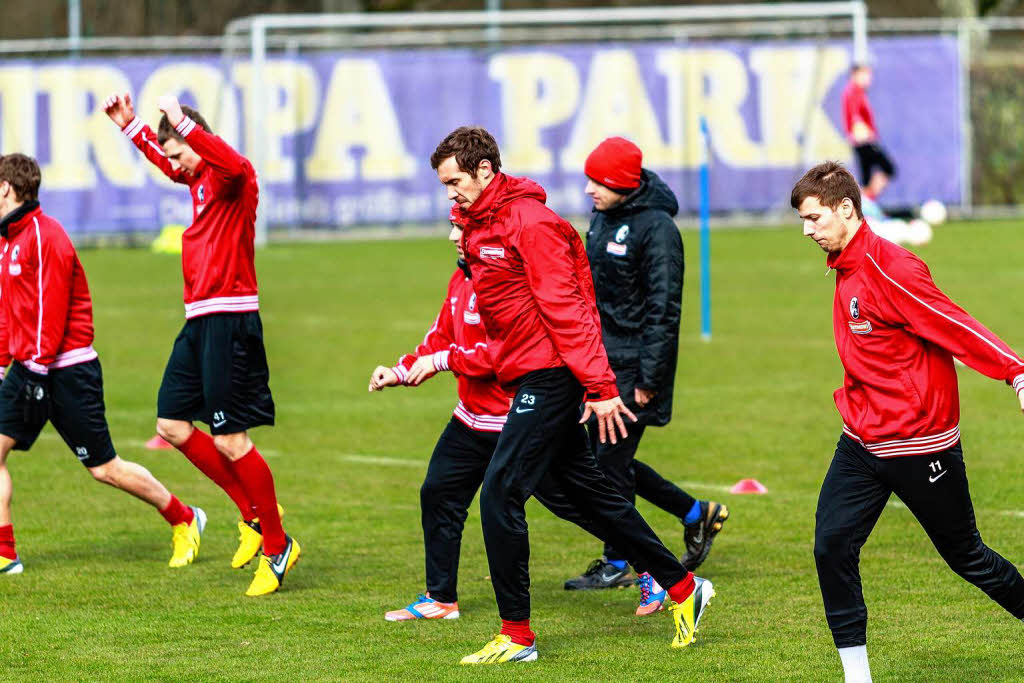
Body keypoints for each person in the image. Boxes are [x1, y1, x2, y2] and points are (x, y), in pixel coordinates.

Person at [431, 126, 716, 664]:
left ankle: (517, 636)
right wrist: (464, 232)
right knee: (587, 496)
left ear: (485, 172)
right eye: (444, 185)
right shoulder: (479, 222)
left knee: (499, 493)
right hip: (527, 374)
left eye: (455, 182)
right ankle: (683, 586)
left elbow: (571, 307)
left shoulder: (531, 223)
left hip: (552, 376)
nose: (450, 193)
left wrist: (600, 386)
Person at [791, 161, 1024, 683]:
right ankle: (857, 676)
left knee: (970, 558)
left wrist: (1016, 372)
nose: (807, 230)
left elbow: (952, 322)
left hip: (921, 445)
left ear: (846, 210)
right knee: (831, 545)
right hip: (861, 440)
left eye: (813, 218)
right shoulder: (845, 265)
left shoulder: (890, 267)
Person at [370, 204, 617, 621]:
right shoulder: (459, 279)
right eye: (452, 227)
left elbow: (499, 354)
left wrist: (444, 361)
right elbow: (441, 337)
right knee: (439, 492)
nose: (452, 237)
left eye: (459, 228)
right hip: (471, 417)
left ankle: (649, 569)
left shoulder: (502, 281)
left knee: (575, 504)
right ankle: (440, 598)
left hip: (520, 417)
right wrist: (401, 370)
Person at [102, 93, 299, 596]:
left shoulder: (232, 179)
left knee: (232, 439)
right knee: (171, 423)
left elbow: (230, 160)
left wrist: (184, 122)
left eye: (179, 153)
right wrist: (131, 128)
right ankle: (252, 515)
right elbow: (169, 158)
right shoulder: (196, 179)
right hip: (199, 320)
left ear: (196, 141)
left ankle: (278, 546)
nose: (174, 166)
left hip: (230, 320)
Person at [0, 153, 204, 574]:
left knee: (105, 469)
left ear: (7, 189)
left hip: (67, 370)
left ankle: (184, 517)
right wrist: (5, 364)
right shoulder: (9, 241)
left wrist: (33, 369)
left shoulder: (43, 234)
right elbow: (10, 313)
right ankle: (5, 554)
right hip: (31, 367)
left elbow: (49, 313)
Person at [564, 136, 729, 603]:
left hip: (633, 370)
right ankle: (694, 513)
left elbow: (664, 309)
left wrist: (647, 381)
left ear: (621, 184)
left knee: (605, 467)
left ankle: (623, 563)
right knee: (604, 460)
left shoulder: (657, 229)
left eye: (597, 181)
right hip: (598, 363)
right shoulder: (603, 217)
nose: (588, 190)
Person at [841, 64, 895, 201]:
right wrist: (863, 134)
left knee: (867, 178)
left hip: (862, 141)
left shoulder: (857, 92)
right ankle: (866, 202)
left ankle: (866, 204)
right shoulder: (853, 92)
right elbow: (854, 117)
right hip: (863, 141)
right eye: (865, 75)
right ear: (855, 75)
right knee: (888, 168)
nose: (868, 79)